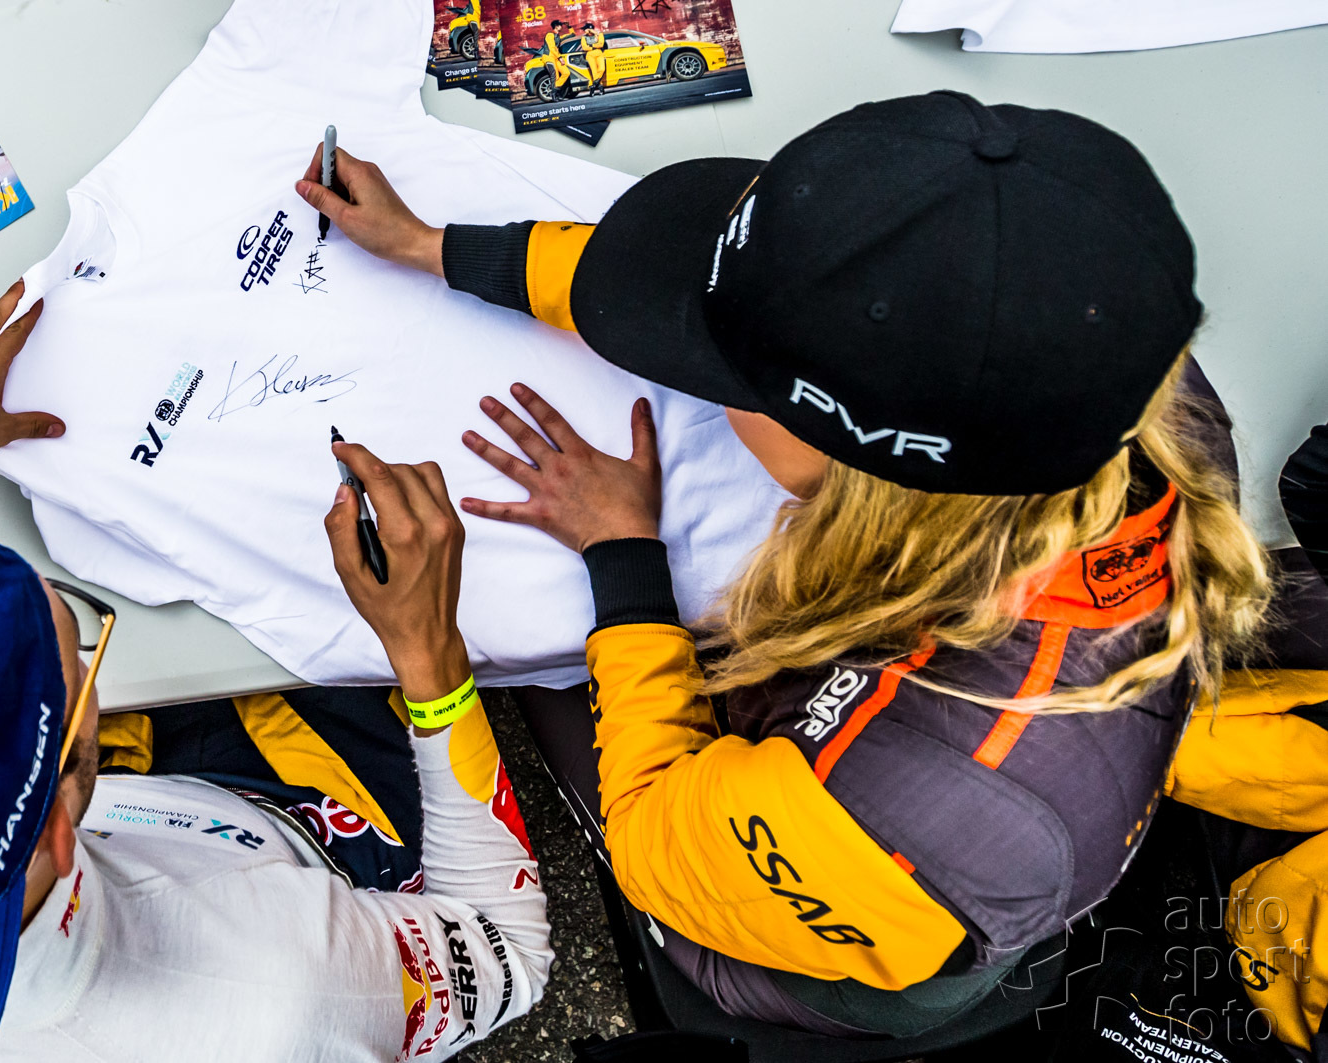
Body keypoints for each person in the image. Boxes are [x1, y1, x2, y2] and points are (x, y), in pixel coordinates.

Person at [297, 90, 1328, 1047]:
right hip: (942, 805)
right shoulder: (1098, 357)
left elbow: (652, 827)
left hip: (832, 929)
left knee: (562, 688)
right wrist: (440, 248)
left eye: (721, 379)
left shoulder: (898, 805)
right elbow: (733, 286)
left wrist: (622, 561)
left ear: (861, 476)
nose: (693, 376)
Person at [0, 283, 550, 1061]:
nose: (87, 662)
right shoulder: (282, 998)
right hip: (295, 855)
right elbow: (506, 949)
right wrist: (429, 656)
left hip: (144, 831)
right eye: (78, 649)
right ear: (57, 823)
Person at [541, 19, 574, 100]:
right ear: (556, 26)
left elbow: (572, 35)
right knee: (555, 75)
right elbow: (552, 48)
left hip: (556, 58)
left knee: (566, 72)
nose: (561, 27)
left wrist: (569, 26)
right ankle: (555, 95)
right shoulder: (550, 35)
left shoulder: (558, 37)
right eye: (560, 25)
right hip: (549, 57)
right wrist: (560, 58)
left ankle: (555, 89)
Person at [580, 23, 607, 95]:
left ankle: (593, 85)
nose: (585, 31)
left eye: (586, 29)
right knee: (594, 72)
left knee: (602, 69)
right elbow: (584, 47)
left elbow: (601, 44)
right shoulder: (584, 37)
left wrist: (591, 45)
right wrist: (594, 47)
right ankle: (601, 88)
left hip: (599, 53)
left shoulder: (599, 35)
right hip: (590, 55)